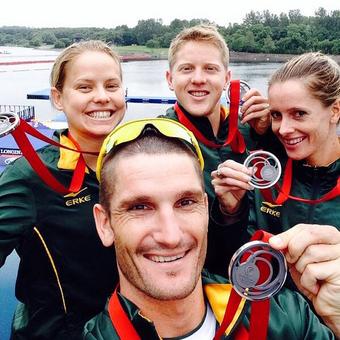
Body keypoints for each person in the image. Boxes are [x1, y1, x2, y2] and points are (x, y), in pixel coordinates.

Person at [84, 118, 340, 339]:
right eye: (140, 207)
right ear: (104, 224)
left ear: (206, 210)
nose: (171, 236)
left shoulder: (286, 318)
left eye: (185, 203)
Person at [0, 40, 126, 339]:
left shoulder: (137, 161)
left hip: (130, 329)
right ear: (58, 97)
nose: (101, 97)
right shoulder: (31, 177)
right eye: (84, 87)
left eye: (111, 86)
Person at [163, 24, 274, 274]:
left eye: (210, 69)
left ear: (226, 78)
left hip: (259, 271)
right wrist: (227, 211)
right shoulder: (158, 140)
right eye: (186, 69)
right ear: (170, 79)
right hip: (196, 277)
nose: (199, 78)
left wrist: (271, 132)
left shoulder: (252, 127)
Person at [211, 52, 340, 237]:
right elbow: (230, 259)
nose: (283, 129)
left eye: (299, 114)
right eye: (277, 115)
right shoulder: (263, 176)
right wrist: (229, 213)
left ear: (335, 111)